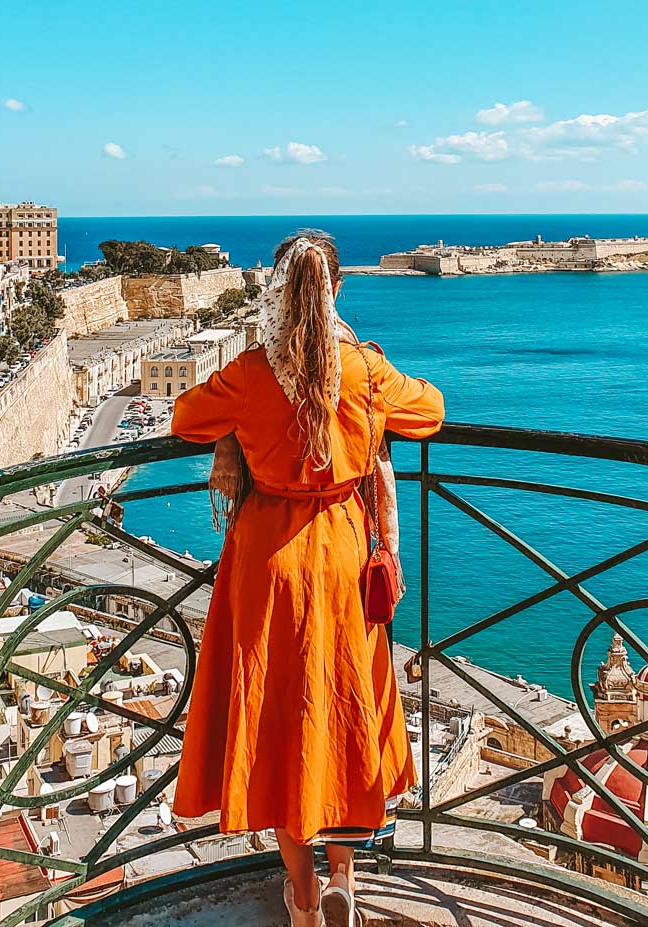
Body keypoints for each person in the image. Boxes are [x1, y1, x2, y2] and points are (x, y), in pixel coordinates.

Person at [169, 231, 444, 926]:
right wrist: (370, 361)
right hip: (342, 558)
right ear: (336, 290)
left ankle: (300, 894)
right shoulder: (363, 371)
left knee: (280, 728)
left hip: (267, 561)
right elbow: (432, 410)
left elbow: (184, 417)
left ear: (274, 291)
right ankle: (344, 877)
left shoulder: (252, 371)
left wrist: (237, 434)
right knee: (343, 715)